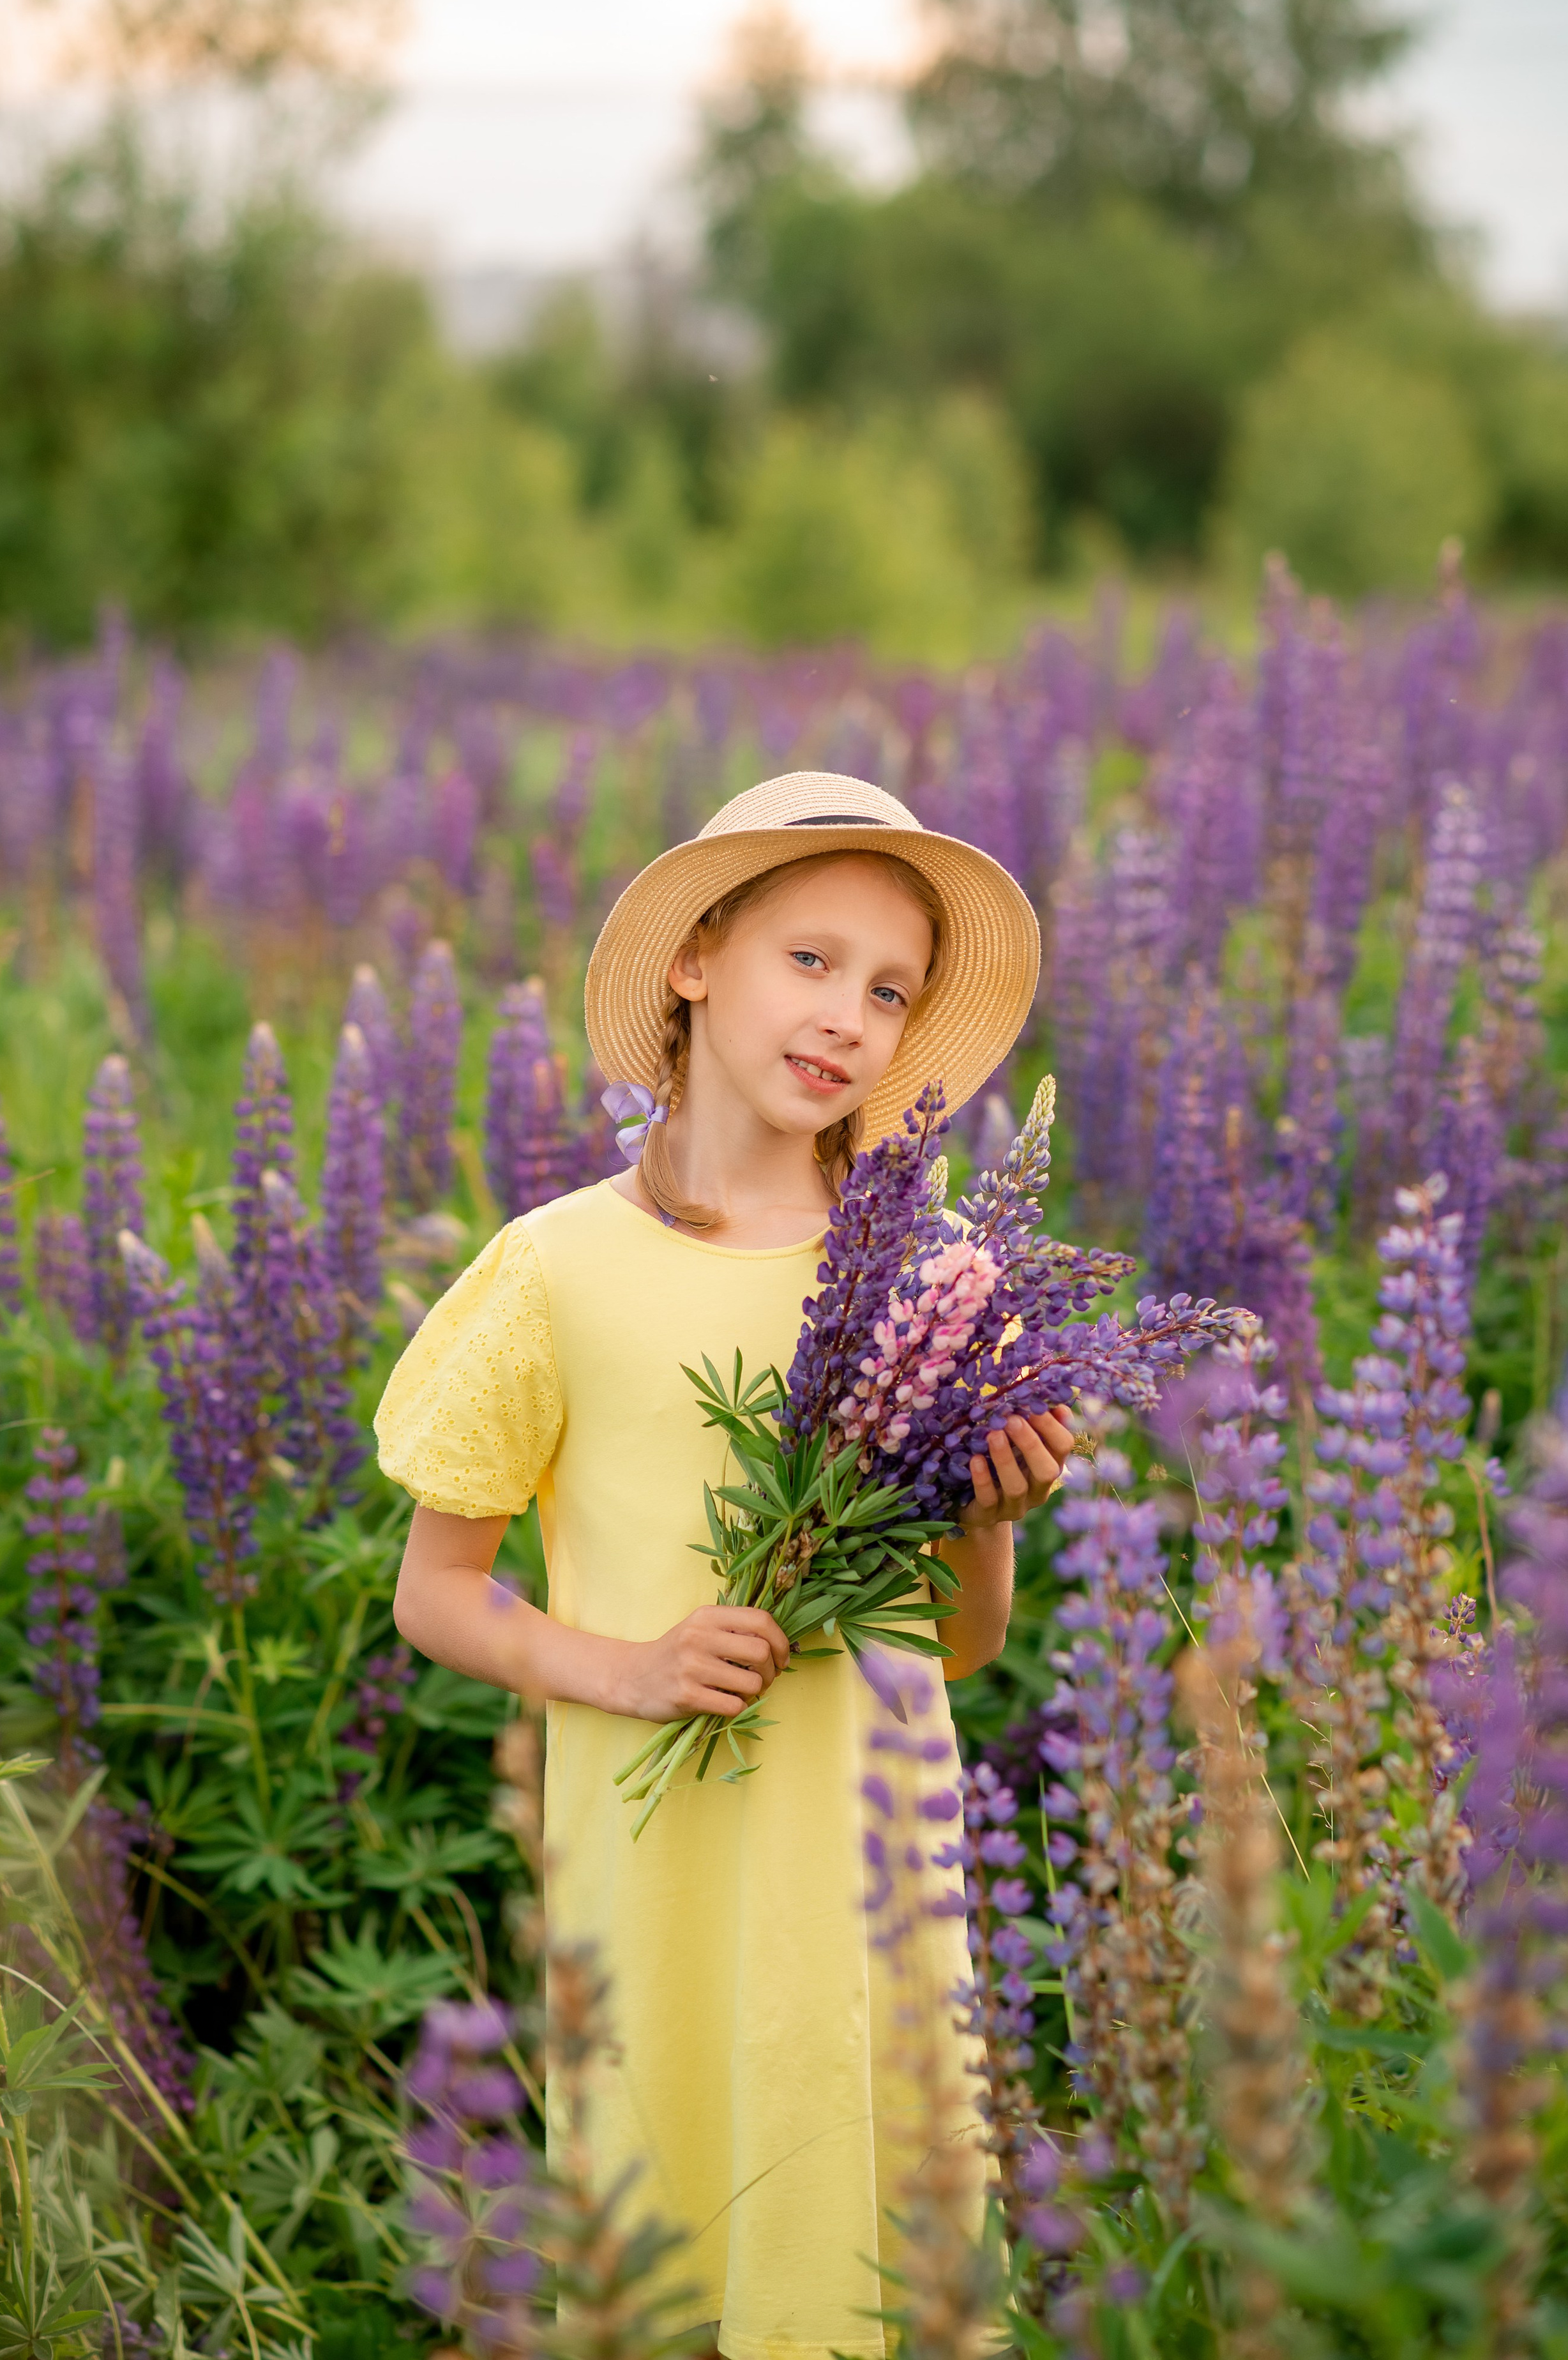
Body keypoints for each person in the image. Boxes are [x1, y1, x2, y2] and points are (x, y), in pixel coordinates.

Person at [377, 771, 1076, 2359]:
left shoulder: (937, 1277)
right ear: (697, 957)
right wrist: (624, 1667)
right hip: (658, 1872)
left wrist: (987, 1516)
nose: (846, 1014)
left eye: (888, 989)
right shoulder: (553, 1267)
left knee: (870, 2262)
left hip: (867, 1863)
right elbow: (437, 1591)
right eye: (808, 959)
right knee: (672, 2269)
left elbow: (955, 1648)